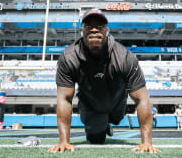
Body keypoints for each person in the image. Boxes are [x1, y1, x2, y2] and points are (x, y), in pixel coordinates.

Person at [48, 9, 160, 153]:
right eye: (88, 26)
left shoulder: (124, 57)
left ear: (107, 29)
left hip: (117, 105)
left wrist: (146, 143)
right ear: (81, 29)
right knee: (96, 139)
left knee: (116, 118)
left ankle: (107, 122)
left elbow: (142, 99)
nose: (94, 30)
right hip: (90, 106)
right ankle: (102, 126)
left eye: (99, 26)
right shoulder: (69, 57)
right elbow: (64, 98)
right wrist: (64, 142)